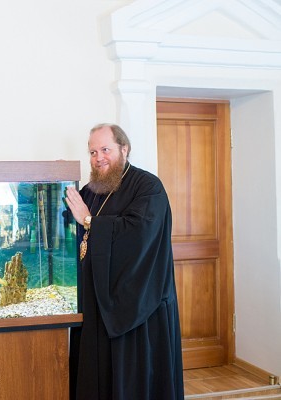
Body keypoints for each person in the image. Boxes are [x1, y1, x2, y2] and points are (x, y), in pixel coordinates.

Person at [65, 123, 184, 400]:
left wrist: (89, 220)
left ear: (124, 149)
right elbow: (71, 223)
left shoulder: (148, 187)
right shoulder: (92, 190)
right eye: (93, 152)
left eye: (105, 150)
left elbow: (139, 233)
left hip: (138, 306)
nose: (99, 158)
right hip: (97, 301)